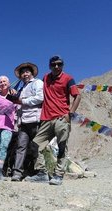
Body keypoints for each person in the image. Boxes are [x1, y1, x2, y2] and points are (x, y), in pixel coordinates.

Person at [26, 55, 81, 185]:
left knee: (62, 147)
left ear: (62, 65)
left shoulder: (68, 78)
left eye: (59, 64)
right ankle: (42, 173)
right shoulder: (46, 78)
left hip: (61, 117)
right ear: (50, 66)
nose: (56, 66)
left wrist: (70, 113)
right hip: (46, 119)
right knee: (35, 145)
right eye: (53, 64)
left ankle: (58, 175)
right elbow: (34, 89)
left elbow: (77, 96)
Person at [9, 62, 44, 182]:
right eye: (23, 72)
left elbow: (40, 98)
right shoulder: (21, 88)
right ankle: (17, 172)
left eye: (27, 72)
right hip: (23, 122)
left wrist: (22, 101)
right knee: (21, 147)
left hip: (35, 119)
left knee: (37, 147)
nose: (25, 74)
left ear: (31, 73)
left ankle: (41, 172)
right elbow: (18, 103)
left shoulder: (38, 83)